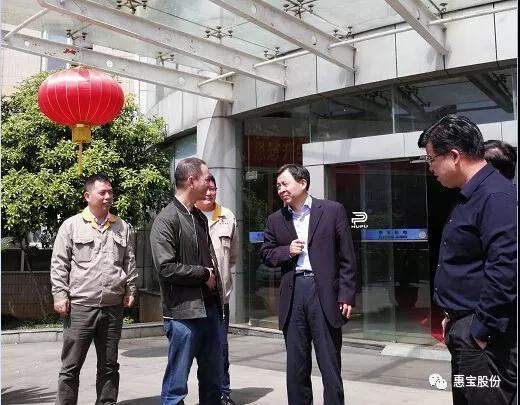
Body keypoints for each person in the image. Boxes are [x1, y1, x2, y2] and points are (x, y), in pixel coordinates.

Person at [418, 115, 517, 405]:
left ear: (454, 156)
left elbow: (506, 268)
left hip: (484, 338)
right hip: (466, 328)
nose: (431, 167)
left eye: (432, 159)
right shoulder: (470, 194)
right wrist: (455, 319)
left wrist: (481, 331)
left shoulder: (496, 196)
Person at [260, 163, 357, 405]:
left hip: (324, 294)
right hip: (293, 294)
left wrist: (346, 294)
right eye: (278, 186)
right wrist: (287, 251)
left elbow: (347, 257)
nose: (281, 189)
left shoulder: (332, 211)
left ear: (302, 183)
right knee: (297, 367)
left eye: (285, 184)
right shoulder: (275, 220)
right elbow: (266, 254)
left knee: (329, 364)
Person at [50, 173, 137, 405]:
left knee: (109, 365)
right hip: (80, 307)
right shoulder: (71, 226)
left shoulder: (122, 226)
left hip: (112, 307)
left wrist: (131, 290)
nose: (108, 197)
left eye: (110, 192)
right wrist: (60, 295)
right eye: (102, 193)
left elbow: (129, 262)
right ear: (87, 196)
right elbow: (59, 263)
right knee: (71, 366)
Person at [150, 157, 224, 405]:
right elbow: (166, 268)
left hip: (210, 310)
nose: (210, 184)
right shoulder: (166, 219)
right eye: (206, 178)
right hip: (183, 314)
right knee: (176, 385)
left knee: (213, 380)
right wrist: (204, 274)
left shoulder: (199, 217)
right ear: (191, 181)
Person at [195, 174, 238, 405]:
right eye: (206, 188)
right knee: (190, 351)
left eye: (213, 188)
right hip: (193, 299)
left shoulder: (227, 216)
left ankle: (224, 393)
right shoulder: (188, 216)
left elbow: (233, 257)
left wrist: (224, 280)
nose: (210, 193)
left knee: (221, 348)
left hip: (220, 300)